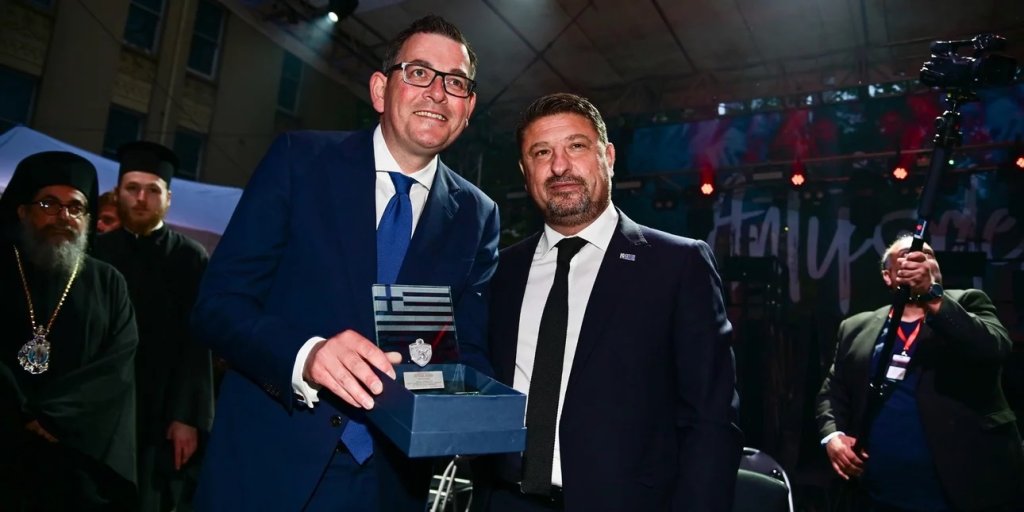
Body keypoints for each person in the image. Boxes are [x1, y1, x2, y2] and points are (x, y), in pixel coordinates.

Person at [189, 15, 498, 511]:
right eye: (419, 72)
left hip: (389, 483)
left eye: (455, 82)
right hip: (270, 463)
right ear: (380, 89)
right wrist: (306, 356)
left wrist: (480, 415)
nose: (438, 93)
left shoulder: (477, 215)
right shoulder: (299, 160)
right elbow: (217, 305)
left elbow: (468, 348)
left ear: (468, 108)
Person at [475, 93, 742, 511]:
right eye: (541, 152)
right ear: (525, 172)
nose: (559, 166)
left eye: (576, 146)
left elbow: (711, 421)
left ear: (609, 157)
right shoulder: (501, 272)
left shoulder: (677, 264)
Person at [816, 235, 1024, 511]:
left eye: (927, 255)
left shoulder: (968, 303)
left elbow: (994, 349)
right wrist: (833, 437)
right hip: (879, 491)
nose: (918, 260)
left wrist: (932, 296)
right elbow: (832, 393)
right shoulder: (856, 327)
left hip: (964, 486)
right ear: (888, 276)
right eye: (906, 257)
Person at [0, 151, 138, 509]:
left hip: (73, 453)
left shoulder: (108, 283)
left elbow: (117, 365)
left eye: (76, 208)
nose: (63, 216)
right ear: (22, 211)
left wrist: (53, 417)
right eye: (49, 204)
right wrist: (19, 412)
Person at [92, 141, 215, 512]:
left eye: (153, 190)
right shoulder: (95, 252)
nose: (141, 199)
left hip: (161, 411)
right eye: (132, 188)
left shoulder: (189, 257)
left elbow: (197, 344)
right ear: (118, 192)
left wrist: (187, 417)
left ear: (168, 198)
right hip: (100, 404)